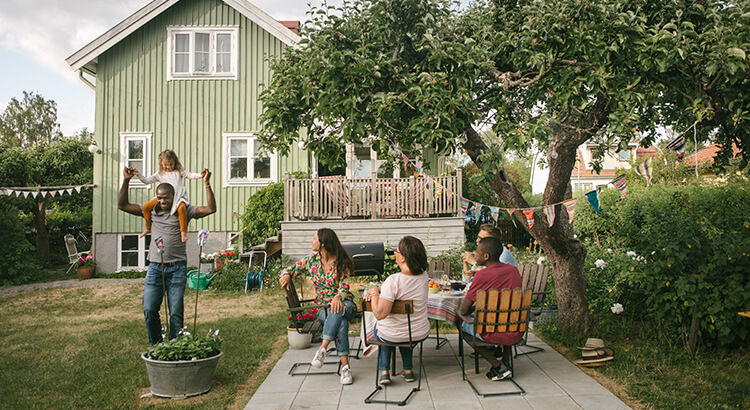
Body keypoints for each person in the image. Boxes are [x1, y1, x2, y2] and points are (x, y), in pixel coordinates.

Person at [118, 166, 216, 345]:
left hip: (177, 268)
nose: (162, 201)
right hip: (155, 268)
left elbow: (210, 209)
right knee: (149, 309)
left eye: (166, 198)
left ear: (174, 197)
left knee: (176, 312)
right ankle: (157, 346)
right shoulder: (151, 211)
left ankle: (176, 346)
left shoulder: (183, 210)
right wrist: (126, 180)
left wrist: (207, 184)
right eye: (159, 197)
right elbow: (122, 205)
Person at [279, 228, 357, 385]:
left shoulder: (341, 261)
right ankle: (345, 368)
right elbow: (289, 269)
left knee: (338, 309)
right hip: (324, 308)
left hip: (346, 304)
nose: (311, 241)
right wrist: (286, 274)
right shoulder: (311, 261)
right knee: (340, 323)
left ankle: (322, 348)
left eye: (314, 239)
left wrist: (337, 297)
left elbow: (345, 286)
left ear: (323, 244)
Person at [364, 236, 430, 385]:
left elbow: (380, 314)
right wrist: (382, 289)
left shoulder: (393, 280)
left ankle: (384, 372)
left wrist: (374, 291)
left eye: (397, 251)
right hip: (418, 332)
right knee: (403, 329)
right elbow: (405, 287)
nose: (395, 253)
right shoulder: (424, 276)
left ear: (404, 257)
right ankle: (408, 370)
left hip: (391, 334)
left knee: (383, 329)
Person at [459, 236, 523, 381]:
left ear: (486, 256)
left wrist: (475, 308)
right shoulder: (513, 271)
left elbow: (463, 310)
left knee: (461, 324)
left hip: (490, 331)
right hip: (516, 329)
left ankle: (498, 365)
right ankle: (506, 361)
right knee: (506, 316)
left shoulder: (482, 275)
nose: (475, 255)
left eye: (477, 252)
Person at [134, 149, 206, 242]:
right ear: (161, 164)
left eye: (171, 164)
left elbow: (190, 175)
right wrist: (138, 174)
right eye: (165, 165)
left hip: (178, 197)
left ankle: (183, 232)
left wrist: (200, 175)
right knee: (146, 207)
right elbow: (147, 181)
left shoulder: (178, 171)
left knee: (182, 208)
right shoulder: (160, 174)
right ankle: (148, 228)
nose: (168, 167)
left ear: (175, 163)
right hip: (163, 198)